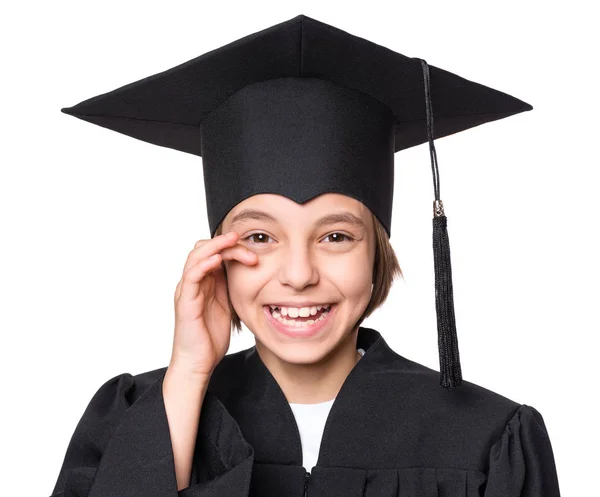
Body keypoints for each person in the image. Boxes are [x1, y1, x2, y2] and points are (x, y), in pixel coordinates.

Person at [51, 14, 561, 497]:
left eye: (336, 237)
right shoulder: (137, 414)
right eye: (258, 238)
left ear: (378, 254)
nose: (298, 275)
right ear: (216, 257)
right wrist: (186, 374)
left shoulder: (487, 439)